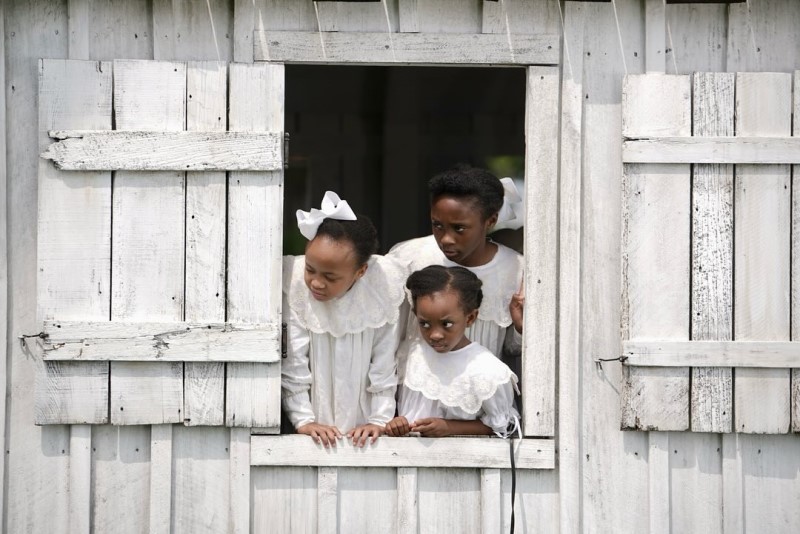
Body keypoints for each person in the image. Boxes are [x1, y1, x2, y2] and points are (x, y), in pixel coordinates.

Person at [282, 191, 407, 447]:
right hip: (310, 429)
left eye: (331, 277)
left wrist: (379, 420)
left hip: (366, 429)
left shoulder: (382, 290)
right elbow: (294, 361)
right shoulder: (295, 287)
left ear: (360, 272)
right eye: (310, 269)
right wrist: (303, 419)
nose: (316, 282)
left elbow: (385, 364)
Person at [388, 165, 525, 379]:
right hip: (414, 396)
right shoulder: (409, 258)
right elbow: (388, 337)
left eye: (459, 228)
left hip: (475, 398)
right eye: (437, 225)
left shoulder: (515, 270)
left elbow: (511, 350)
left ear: (490, 221)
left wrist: (519, 328)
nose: (446, 239)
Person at [385, 266, 519, 438]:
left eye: (447, 324)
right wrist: (397, 423)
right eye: (424, 323)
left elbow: (505, 426)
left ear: (470, 318)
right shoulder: (412, 355)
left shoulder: (487, 371)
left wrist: (450, 427)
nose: (435, 335)